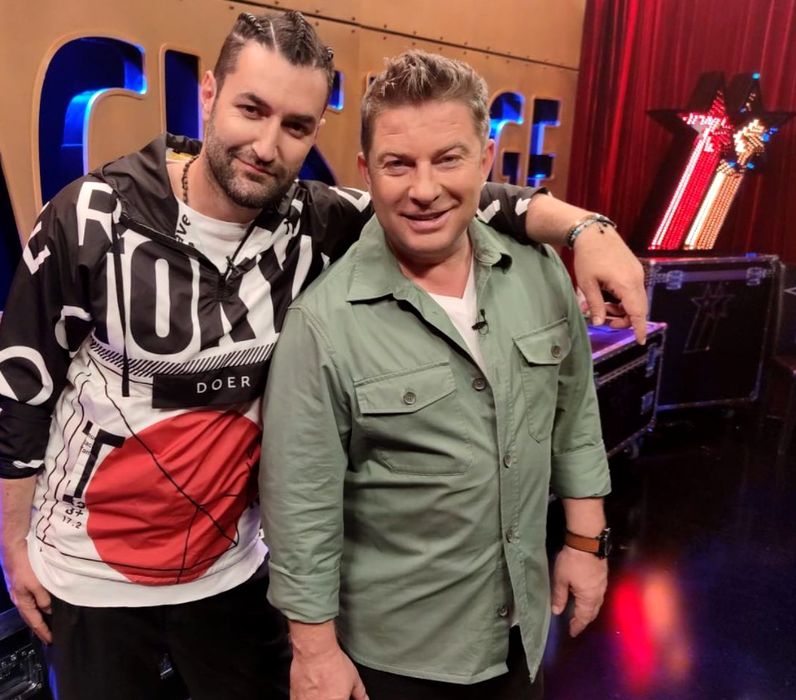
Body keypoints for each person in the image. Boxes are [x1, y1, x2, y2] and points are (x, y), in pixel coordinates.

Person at [0, 10, 630, 700]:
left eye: (296, 125)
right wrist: (13, 543)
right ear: (208, 96)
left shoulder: (316, 219)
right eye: (251, 109)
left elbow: (464, 197)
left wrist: (587, 230)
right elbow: (22, 385)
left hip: (231, 567)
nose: (266, 145)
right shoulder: (92, 214)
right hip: (89, 568)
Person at [260, 50, 612, 700]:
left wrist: (586, 544)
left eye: (448, 159)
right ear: (367, 171)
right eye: (398, 164)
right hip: (394, 661)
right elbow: (300, 509)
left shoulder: (539, 273)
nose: (424, 190)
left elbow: (574, 416)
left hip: (523, 630)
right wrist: (314, 652)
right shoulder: (322, 324)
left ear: (485, 160)